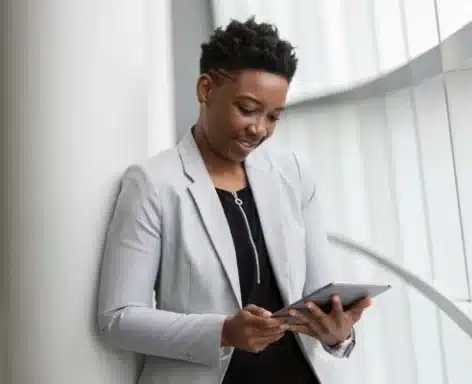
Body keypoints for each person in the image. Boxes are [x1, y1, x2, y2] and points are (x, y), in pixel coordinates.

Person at [97, 18, 373, 384]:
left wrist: (338, 334)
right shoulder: (152, 184)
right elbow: (117, 318)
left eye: (273, 116)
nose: (259, 128)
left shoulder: (293, 174)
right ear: (206, 88)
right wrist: (224, 331)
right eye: (247, 109)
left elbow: (315, 298)